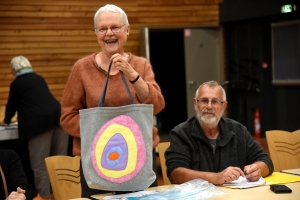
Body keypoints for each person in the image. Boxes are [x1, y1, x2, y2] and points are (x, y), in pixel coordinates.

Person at [60, 4, 165, 198]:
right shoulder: (81, 69)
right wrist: (107, 130)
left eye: (115, 27)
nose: (109, 33)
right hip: (96, 161)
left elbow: (157, 106)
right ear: (96, 33)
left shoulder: (141, 65)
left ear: (127, 30)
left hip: (140, 159)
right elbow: (67, 117)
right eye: (103, 29)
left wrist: (132, 74)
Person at [165, 80, 273, 185]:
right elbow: (175, 173)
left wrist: (257, 169)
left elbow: (265, 161)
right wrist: (216, 177)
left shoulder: (238, 130)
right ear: (195, 103)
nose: (209, 106)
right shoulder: (181, 133)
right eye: (204, 100)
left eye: (215, 102)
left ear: (224, 106)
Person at [0, 56, 69, 200]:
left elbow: (11, 107)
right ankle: (63, 195)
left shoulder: (17, 83)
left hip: (38, 125)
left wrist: (6, 121)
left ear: (14, 69)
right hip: (60, 118)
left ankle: (45, 197)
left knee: (40, 165)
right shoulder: (39, 78)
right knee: (59, 162)